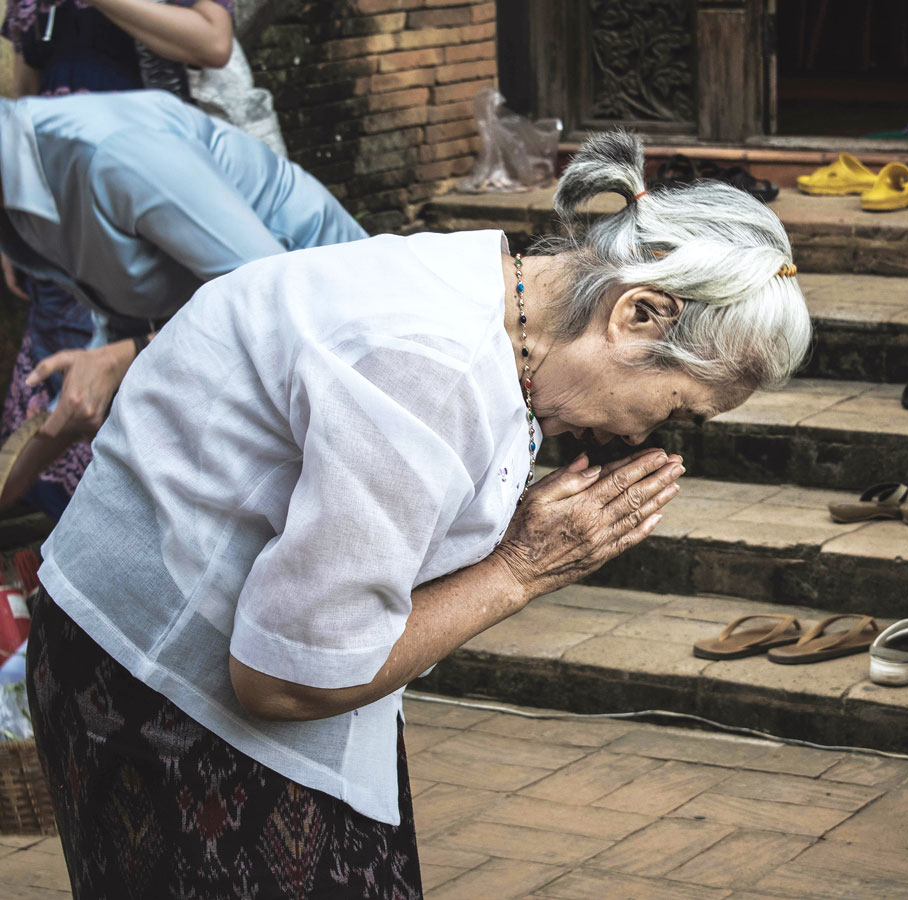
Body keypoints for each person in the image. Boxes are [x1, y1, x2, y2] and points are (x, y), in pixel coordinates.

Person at [26, 130, 813, 898]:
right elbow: (284, 677)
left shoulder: (490, 284)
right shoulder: (430, 370)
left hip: (146, 644)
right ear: (638, 314)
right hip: (159, 690)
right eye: (673, 408)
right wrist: (520, 569)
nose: (643, 435)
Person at [0, 88, 366, 510]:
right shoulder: (22, 205)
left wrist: (128, 358)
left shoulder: (112, 153)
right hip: (240, 343)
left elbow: (273, 295)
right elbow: (122, 314)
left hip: (334, 330)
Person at [1, 0, 236, 519]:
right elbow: (23, 93)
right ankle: (66, 556)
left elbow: (214, 44)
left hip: (144, 195)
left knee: (156, 372)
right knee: (59, 374)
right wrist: (13, 224)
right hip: (53, 205)